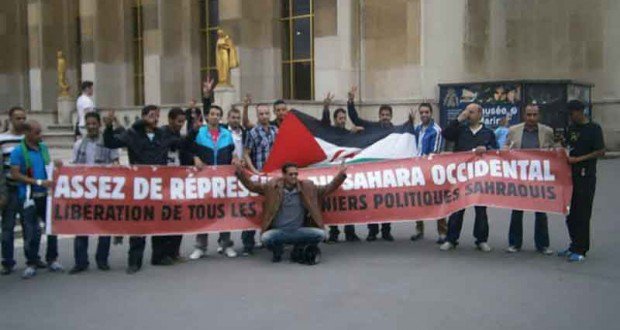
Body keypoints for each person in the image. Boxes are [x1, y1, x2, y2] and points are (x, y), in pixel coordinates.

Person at [103, 105, 181, 274]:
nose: (155, 118)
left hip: (159, 186)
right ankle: (134, 261)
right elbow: (110, 142)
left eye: (157, 115)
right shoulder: (133, 134)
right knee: (138, 223)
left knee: (160, 221)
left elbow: (182, 143)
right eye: (152, 115)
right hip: (139, 186)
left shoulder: (163, 134)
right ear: (143, 116)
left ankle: (159, 256)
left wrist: (194, 130)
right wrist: (108, 126)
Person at [235, 162, 347, 263]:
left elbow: (328, 188)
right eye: (291, 174)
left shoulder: (307, 187)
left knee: (321, 234)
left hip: (299, 231)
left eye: (296, 174)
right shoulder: (271, 186)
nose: (294, 177)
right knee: (265, 238)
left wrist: (341, 175)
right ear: (283, 175)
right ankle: (277, 250)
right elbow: (252, 186)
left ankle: (299, 247)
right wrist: (240, 172)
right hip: (279, 232)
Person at [439, 103, 498, 252]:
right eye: (466, 112)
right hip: (462, 176)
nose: (468, 115)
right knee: (457, 208)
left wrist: (487, 149)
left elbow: (496, 151)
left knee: (481, 210)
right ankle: (451, 239)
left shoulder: (488, 133)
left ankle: (481, 240)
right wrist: (459, 119)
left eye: (471, 112)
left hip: (480, 177)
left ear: (480, 114)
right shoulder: (461, 130)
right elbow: (445, 134)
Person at [10, 121, 64, 279]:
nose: (41, 135)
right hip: (28, 197)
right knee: (31, 231)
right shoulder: (18, 151)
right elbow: (15, 174)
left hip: (46, 196)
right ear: (27, 134)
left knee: (52, 229)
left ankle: (52, 259)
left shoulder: (43, 148)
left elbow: (47, 168)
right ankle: (31, 262)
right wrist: (38, 182)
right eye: (37, 133)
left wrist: (57, 166)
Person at [69, 112, 120, 274]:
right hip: (84, 190)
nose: (91, 126)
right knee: (81, 226)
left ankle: (102, 259)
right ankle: (81, 261)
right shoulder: (78, 144)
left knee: (104, 226)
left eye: (94, 123)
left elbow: (115, 161)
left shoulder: (108, 142)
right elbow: (74, 166)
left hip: (103, 190)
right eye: (88, 124)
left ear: (99, 125)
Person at [187, 104, 239, 260]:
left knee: (224, 212)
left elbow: (232, 153)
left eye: (218, 114)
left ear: (220, 118)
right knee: (203, 212)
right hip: (204, 178)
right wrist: (194, 157)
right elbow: (187, 148)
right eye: (212, 113)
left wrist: (235, 158)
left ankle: (226, 245)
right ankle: (200, 247)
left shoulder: (227, 134)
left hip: (223, 179)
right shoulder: (199, 133)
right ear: (207, 116)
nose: (215, 116)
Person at [504, 104, 555, 255]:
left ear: (539, 116)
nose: (531, 118)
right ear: (524, 115)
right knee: (517, 211)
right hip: (519, 177)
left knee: (540, 212)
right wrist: (506, 149)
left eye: (534, 115)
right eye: (529, 115)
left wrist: (550, 152)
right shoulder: (514, 130)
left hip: (538, 178)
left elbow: (553, 151)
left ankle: (543, 245)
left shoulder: (547, 131)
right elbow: (506, 146)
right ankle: (514, 243)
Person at [558, 100, 605, 262]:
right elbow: (566, 146)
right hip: (570, 176)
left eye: (572, 114)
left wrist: (579, 159)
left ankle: (581, 249)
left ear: (580, 112)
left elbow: (600, 151)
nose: (570, 117)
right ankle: (573, 244)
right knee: (570, 214)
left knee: (582, 214)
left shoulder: (594, 129)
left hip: (586, 176)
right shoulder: (571, 129)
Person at [346, 86, 395, 241]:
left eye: (388, 115)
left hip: (388, 173)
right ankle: (372, 231)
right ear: (379, 116)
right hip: (373, 172)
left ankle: (386, 231)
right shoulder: (372, 127)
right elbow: (356, 119)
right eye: (383, 115)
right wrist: (351, 101)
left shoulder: (397, 131)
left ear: (391, 116)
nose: (385, 117)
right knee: (373, 202)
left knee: (387, 203)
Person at [320, 92, 361, 243]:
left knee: (348, 202)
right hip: (332, 171)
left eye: (344, 118)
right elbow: (323, 123)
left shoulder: (350, 133)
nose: (343, 121)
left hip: (347, 173)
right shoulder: (329, 132)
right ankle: (334, 232)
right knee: (333, 202)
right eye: (340, 118)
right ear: (335, 120)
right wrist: (326, 107)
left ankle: (350, 232)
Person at [241, 104, 279, 255]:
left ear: (270, 115)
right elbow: (246, 153)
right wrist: (254, 170)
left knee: (272, 208)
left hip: (273, 176)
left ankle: (269, 240)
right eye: (261, 114)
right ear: (257, 116)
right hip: (258, 176)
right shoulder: (252, 132)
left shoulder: (276, 131)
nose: (264, 116)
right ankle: (248, 244)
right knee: (254, 209)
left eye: (266, 114)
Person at [410, 103, 448, 244]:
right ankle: (419, 230)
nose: (424, 114)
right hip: (416, 170)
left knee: (437, 200)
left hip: (430, 170)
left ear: (431, 113)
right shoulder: (417, 129)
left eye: (426, 112)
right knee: (417, 201)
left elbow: (435, 153)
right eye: (422, 112)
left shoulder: (436, 130)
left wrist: (425, 161)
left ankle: (443, 232)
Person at [1, 107, 27, 275]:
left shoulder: (29, 138)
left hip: (26, 188)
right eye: (18, 118)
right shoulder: (2, 139)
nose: (22, 121)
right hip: (9, 189)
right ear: (10, 119)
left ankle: (32, 258)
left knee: (30, 226)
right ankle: (8, 261)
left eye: (24, 118)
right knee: (8, 228)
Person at [159, 107, 187, 262]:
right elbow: (171, 143)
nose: (181, 125)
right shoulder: (162, 133)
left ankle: (174, 252)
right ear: (170, 119)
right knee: (165, 220)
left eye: (183, 122)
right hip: (164, 182)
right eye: (179, 121)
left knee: (178, 218)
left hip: (178, 182)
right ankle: (162, 254)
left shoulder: (179, 135)